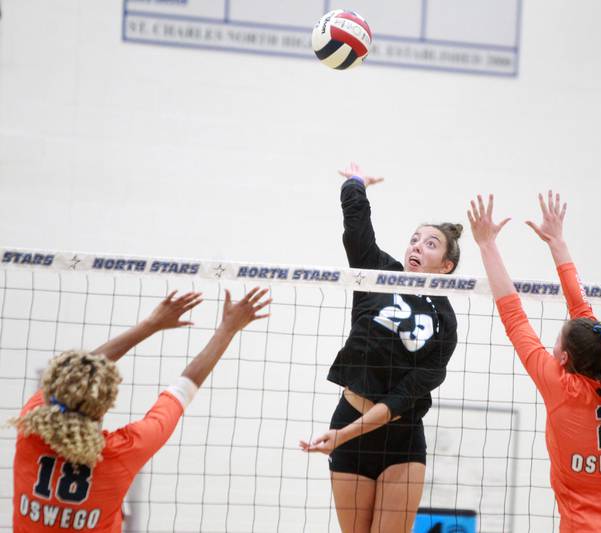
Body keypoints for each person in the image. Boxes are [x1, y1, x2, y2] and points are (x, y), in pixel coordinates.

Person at [12, 287, 271, 532]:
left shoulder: (30, 428)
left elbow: (77, 375)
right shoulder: (122, 452)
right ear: (103, 407)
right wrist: (228, 329)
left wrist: (150, 325)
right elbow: (183, 389)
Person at [467, 191, 601, 533]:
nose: (550, 348)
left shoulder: (561, 386)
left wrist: (486, 244)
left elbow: (514, 316)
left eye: (555, 343)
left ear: (564, 359)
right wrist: (557, 243)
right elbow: (582, 313)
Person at [300, 163, 461, 533]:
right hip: (349, 421)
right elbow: (356, 229)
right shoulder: (378, 273)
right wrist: (356, 185)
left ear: (446, 266)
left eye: (430, 244)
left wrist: (342, 436)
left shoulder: (445, 324)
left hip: (401, 439)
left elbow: (402, 398)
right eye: (415, 239)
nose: (417, 246)